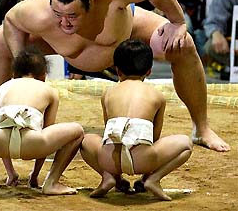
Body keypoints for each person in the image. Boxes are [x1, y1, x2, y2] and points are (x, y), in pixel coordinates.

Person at [0, 0, 230, 152]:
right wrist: (23, 68)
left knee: (182, 44)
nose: (64, 22)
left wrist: (177, 22)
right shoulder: (36, 12)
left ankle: (202, 128)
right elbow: (10, 19)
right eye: (57, 14)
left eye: (72, 16)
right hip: (55, 45)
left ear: (89, 4)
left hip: (127, 33)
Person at [0, 45, 84, 194]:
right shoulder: (50, 91)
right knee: (78, 131)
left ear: (14, 73)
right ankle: (51, 182)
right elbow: (47, 130)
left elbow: (0, 127)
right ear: (43, 75)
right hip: (34, 144)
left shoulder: (1, 88)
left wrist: (11, 173)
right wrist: (34, 176)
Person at [80, 39, 193, 199]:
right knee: (185, 144)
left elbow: (108, 132)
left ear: (117, 70)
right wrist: (146, 169)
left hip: (109, 160)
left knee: (85, 141)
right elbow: (154, 137)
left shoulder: (108, 93)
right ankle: (152, 179)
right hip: (143, 160)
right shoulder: (156, 95)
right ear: (149, 71)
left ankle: (109, 177)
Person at [203, 0, 238, 78]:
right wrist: (216, 33)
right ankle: (232, 68)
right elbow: (213, 21)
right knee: (211, 45)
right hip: (233, 44)